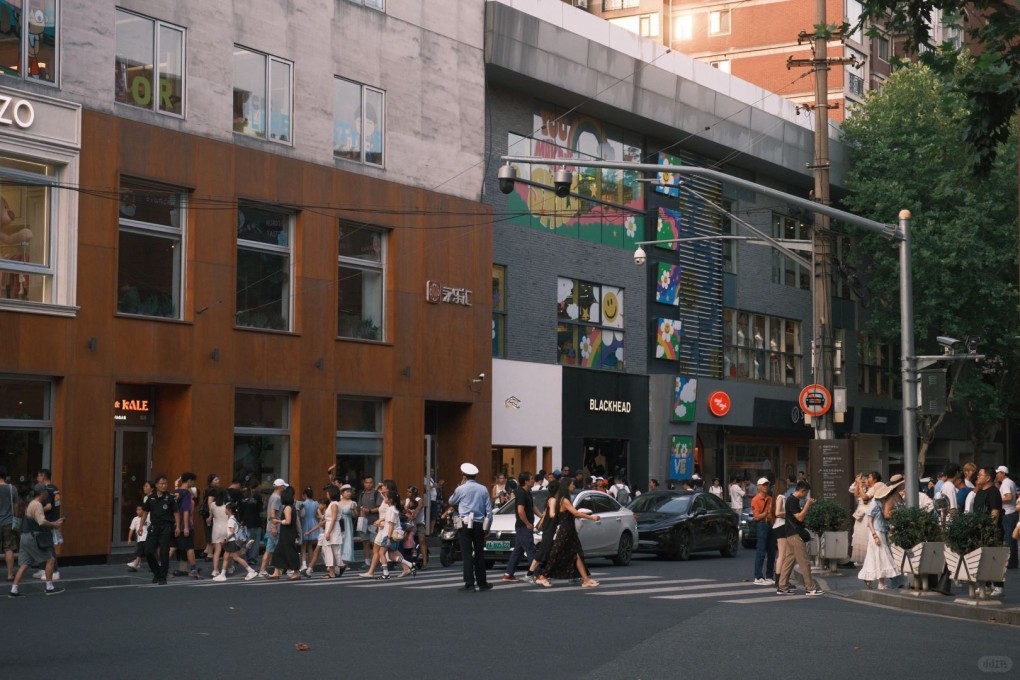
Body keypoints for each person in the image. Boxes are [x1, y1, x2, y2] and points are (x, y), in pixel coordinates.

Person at [541, 478, 601, 588]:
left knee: (577, 554)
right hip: (565, 531)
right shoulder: (564, 500)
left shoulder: (565, 499)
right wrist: (592, 517)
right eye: (572, 484)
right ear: (567, 486)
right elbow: (576, 513)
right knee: (556, 553)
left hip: (570, 530)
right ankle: (543, 576)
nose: (574, 486)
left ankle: (586, 580)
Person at [8, 484, 65, 597]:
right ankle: (49, 588)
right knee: (50, 560)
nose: (47, 495)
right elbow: (41, 522)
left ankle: (14, 590)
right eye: (46, 493)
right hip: (32, 537)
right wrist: (54, 524)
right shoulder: (37, 505)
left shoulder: (30, 503)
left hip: (24, 537)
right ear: (42, 493)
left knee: (24, 564)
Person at [445, 462, 493, 592]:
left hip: (464, 524)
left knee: (466, 554)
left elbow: (451, 501)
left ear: (464, 476)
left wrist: (460, 485)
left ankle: (469, 584)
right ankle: (482, 583)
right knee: (479, 553)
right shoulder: (483, 489)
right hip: (479, 524)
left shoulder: (461, 488)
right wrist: (487, 527)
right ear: (475, 476)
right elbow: (489, 510)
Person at [776, 481, 822, 596]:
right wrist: (807, 505)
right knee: (804, 561)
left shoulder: (792, 500)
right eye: (805, 493)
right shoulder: (792, 501)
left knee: (789, 560)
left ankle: (782, 586)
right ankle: (810, 588)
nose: (806, 495)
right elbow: (800, 518)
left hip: (790, 534)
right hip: (795, 535)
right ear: (802, 491)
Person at [858, 482, 899, 589]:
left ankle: (869, 578)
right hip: (876, 532)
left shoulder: (879, 503)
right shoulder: (875, 504)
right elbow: (869, 522)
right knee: (881, 556)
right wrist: (875, 536)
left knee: (874, 556)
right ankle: (880, 583)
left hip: (879, 531)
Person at [140, 475, 178, 585]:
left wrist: (178, 526)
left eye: (165, 483)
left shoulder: (170, 498)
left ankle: (162, 577)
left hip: (166, 527)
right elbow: (145, 512)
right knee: (148, 551)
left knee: (164, 553)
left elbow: (176, 512)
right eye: (161, 483)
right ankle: (156, 572)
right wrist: (141, 526)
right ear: (156, 485)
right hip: (154, 527)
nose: (164, 485)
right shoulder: (151, 498)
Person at [973, 467, 1004, 596]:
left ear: (988, 478)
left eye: (980, 475)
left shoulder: (993, 492)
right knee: (982, 558)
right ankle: (984, 584)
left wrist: (990, 530)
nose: (977, 477)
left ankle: (997, 586)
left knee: (994, 558)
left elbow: (995, 513)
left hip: (991, 532)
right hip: (979, 530)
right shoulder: (980, 492)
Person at [503, 472, 536, 582]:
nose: (533, 480)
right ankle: (536, 574)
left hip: (524, 526)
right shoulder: (521, 493)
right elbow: (520, 511)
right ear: (526, 481)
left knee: (518, 550)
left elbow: (532, 506)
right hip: (523, 526)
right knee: (530, 549)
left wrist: (542, 515)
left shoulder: (528, 493)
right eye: (531, 478)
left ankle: (508, 573)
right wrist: (527, 523)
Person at [213, 502, 258, 582]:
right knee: (226, 556)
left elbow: (231, 533)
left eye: (226, 509)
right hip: (233, 542)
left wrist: (225, 540)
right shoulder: (234, 518)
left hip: (232, 542)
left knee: (235, 557)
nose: (225, 510)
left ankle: (251, 571)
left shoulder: (231, 520)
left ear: (229, 510)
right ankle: (222, 575)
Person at [32, 468, 61, 581]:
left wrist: (37, 511)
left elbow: (48, 506)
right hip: (53, 520)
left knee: (48, 546)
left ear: (43, 476)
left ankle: (54, 571)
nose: (37, 478)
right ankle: (44, 569)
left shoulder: (46, 489)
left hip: (47, 521)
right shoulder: (55, 488)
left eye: (39, 476)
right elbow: (57, 504)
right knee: (43, 545)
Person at [530, 480, 560, 586]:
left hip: (549, 527)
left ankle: (538, 573)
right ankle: (531, 573)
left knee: (546, 550)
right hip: (550, 527)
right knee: (543, 549)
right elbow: (552, 514)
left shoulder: (550, 498)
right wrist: (560, 514)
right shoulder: (553, 500)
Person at [268, 486, 302, 580]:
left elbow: (288, 521)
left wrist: (277, 521)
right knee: (278, 552)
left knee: (290, 552)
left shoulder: (287, 508)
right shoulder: (292, 507)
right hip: (287, 533)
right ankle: (276, 572)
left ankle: (296, 572)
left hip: (287, 533)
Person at [172, 473, 201, 579]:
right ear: (189, 481)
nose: (193, 484)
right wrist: (185, 527)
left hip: (175, 523)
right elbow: (185, 510)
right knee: (189, 547)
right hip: (184, 524)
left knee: (174, 546)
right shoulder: (186, 494)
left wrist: (177, 525)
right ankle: (193, 569)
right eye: (193, 481)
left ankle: (164, 568)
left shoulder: (176, 492)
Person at [259, 478, 287, 577]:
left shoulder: (273, 496)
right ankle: (278, 569)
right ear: (279, 487)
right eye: (283, 486)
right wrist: (274, 526)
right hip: (275, 527)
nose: (284, 488)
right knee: (277, 549)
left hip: (270, 527)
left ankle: (262, 570)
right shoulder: (277, 498)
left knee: (269, 549)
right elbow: (273, 512)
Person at [751, 477, 776, 585]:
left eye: (767, 485)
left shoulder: (770, 498)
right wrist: (766, 513)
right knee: (761, 551)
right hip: (762, 524)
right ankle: (758, 576)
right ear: (759, 486)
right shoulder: (756, 499)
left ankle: (769, 576)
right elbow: (756, 517)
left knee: (772, 552)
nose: (766, 487)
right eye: (764, 485)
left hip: (770, 524)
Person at [319, 485, 345, 578]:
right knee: (331, 551)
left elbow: (333, 519)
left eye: (328, 492)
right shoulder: (333, 503)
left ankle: (336, 568)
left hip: (332, 528)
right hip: (331, 527)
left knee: (333, 551)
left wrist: (329, 532)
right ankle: (334, 570)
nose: (327, 494)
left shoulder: (334, 504)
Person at [357, 476, 383, 568]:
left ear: (373, 483)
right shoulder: (362, 494)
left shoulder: (376, 494)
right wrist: (360, 519)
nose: (368, 484)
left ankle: (375, 561)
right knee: (365, 542)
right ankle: (367, 562)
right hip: (363, 522)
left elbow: (380, 508)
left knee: (374, 543)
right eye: (366, 482)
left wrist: (370, 511)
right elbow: (360, 507)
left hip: (374, 522)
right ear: (364, 483)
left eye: (370, 482)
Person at [1, 466, 21, 581]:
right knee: (9, 549)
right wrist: (16, 516)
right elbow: (16, 506)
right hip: (8, 521)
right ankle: (9, 574)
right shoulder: (11, 488)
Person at [995, 466, 1017, 570]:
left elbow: (1008, 497)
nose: (996, 475)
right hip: (1011, 512)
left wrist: (997, 500)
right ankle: (1013, 561)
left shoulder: (1006, 483)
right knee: (1011, 538)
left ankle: (1011, 562)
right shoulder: (1010, 482)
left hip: (1008, 513)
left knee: (1009, 539)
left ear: (1003, 473)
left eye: (998, 473)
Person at [298, 487, 321, 576]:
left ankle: (303, 564)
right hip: (314, 523)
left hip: (305, 523)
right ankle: (311, 565)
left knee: (303, 546)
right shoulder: (316, 503)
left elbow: (301, 515)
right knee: (310, 546)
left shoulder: (303, 504)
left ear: (305, 495)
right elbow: (318, 514)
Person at [208, 489, 229, 579]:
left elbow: (210, 517)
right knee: (228, 550)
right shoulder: (227, 505)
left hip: (216, 529)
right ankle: (229, 567)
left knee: (217, 551)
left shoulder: (212, 505)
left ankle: (215, 570)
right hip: (227, 528)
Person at [125, 504, 147, 572]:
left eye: (139, 510)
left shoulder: (148, 517)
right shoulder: (135, 519)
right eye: (137, 510)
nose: (138, 511)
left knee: (140, 551)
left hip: (146, 537)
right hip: (139, 538)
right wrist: (129, 538)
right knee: (141, 551)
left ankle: (135, 565)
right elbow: (131, 529)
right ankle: (137, 564)